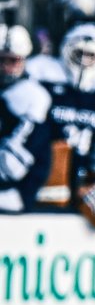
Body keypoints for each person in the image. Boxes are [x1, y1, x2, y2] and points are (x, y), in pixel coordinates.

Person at [25, 22, 95, 227]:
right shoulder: (40, 74)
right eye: (79, 52)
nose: (83, 60)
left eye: (90, 55)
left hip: (80, 186)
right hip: (34, 182)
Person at [0, 24, 52, 213]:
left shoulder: (34, 98)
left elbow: (15, 165)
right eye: (1, 61)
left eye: (12, 61)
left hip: (15, 193)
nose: (5, 68)